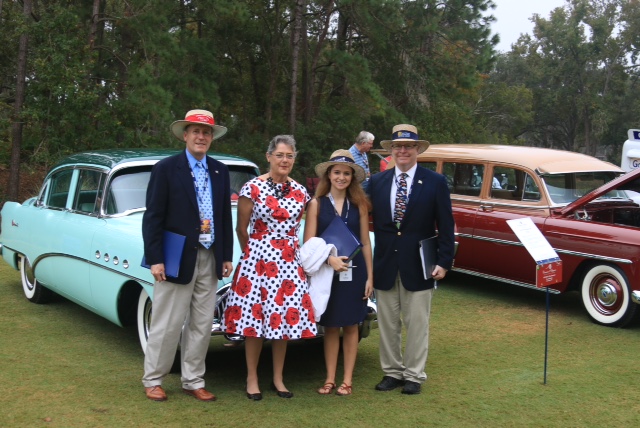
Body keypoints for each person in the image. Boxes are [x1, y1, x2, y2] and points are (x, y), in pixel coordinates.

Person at [141, 109, 234, 402]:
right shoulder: (166, 169)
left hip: (210, 255)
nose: (201, 137)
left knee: (202, 324)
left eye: (206, 132)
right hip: (176, 256)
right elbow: (153, 217)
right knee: (167, 322)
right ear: (185, 135)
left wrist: (226, 255)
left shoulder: (220, 170)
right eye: (196, 131)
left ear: (211, 138)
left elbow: (223, 216)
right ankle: (154, 379)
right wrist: (156, 258)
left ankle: (193, 380)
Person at [223, 135, 316, 401]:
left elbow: (300, 229)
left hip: (288, 264)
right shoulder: (252, 187)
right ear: (269, 157)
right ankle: (252, 377)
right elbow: (241, 229)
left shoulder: (301, 192)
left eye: (289, 156)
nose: (284, 160)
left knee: (283, 319)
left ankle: (278, 378)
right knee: (255, 320)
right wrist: (255, 254)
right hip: (257, 263)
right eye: (280, 155)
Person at [367, 124, 455, 395]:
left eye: (408, 146)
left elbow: (446, 225)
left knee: (417, 323)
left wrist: (444, 261)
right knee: (388, 323)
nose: (402, 151)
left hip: (419, 265)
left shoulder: (435, 181)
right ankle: (392, 372)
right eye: (397, 146)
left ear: (417, 149)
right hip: (385, 263)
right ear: (391, 150)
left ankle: (414, 375)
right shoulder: (376, 182)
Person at [303, 149, 374, 397]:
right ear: (328, 175)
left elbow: (365, 242)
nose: (341, 177)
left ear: (352, 177)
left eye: (346, 173)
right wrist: (329, 259)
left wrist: (370, 277)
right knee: (331, 326)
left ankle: (347, 380)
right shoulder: (316, 204)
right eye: (337, 172)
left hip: (355, 272)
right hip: (327, 272)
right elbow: (309, 244)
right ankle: (330, 379)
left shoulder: (359, 205)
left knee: (352, 325)